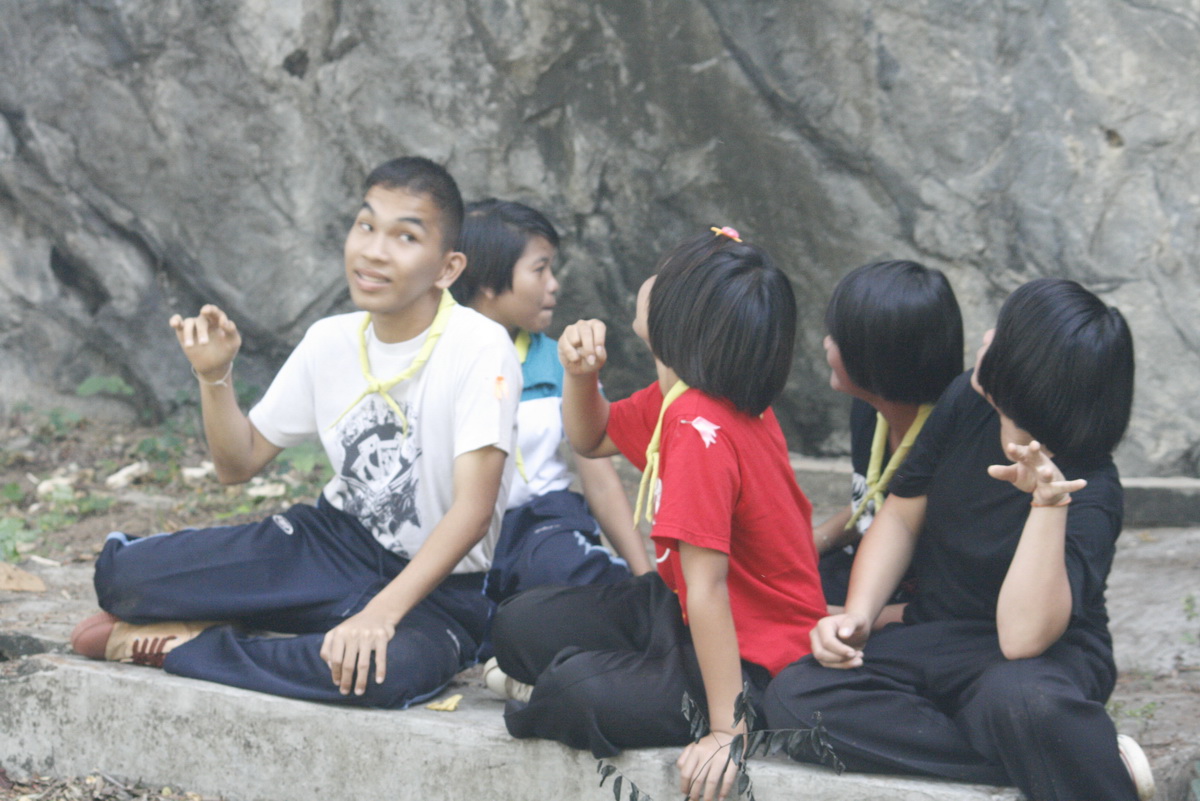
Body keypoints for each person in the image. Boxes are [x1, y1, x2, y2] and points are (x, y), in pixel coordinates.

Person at [69, 156, 522, 710]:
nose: (374, 251)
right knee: (122, 578)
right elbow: (238, 463)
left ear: (448, 268)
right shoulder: (330, 341)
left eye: (405, 237)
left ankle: (187, 646)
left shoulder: (480, 347)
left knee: (381, 672)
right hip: (330, 546)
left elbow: (473, 512)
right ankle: (277, 624)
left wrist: (380, 614)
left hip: (440, 591)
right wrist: (214, 376)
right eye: (366, 226)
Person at [764, 278, 1153, 801]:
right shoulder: (966, 400)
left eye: (1003, 335)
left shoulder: (1092, 489)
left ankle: (1056, 751)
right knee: (797, 696)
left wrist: (1047, 504)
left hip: (1036, 663)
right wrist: (857, 616)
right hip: (937, 633)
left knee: (1027, 707)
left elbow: (1021, 640)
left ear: (1030, 375)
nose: (987, 337)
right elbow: (901, 518)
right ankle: (1065, 760)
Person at [488, 227, 826, 801]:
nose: (650, 278)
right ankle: (614, 670)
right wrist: (580, 376)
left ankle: (593, 684)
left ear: (681, 317)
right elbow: (592, 437)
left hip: (753, 653)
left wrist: (726, 731)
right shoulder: (680, 395)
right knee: (517, 623)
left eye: (665, 275)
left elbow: (710, 588)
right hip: (683, 610)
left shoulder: (699, 425)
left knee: (578, 692)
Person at [449, 199, 651, 608]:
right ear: (488, 279)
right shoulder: (438, 359)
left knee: (576, 578)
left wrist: (646, 580)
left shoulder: (562, 363)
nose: (554, 284)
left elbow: (600, 480)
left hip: (543, 526)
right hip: (460, 533)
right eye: (540, 269)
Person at [814, 260, 962, 620]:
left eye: (839, 338)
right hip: (864, 575)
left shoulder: (953, 448)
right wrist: (812, 543)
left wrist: (836, 618)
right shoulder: (870, 410)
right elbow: (871, 503)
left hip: (918, 607)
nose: (826, 343)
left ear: (875, 361)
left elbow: (951, 605)